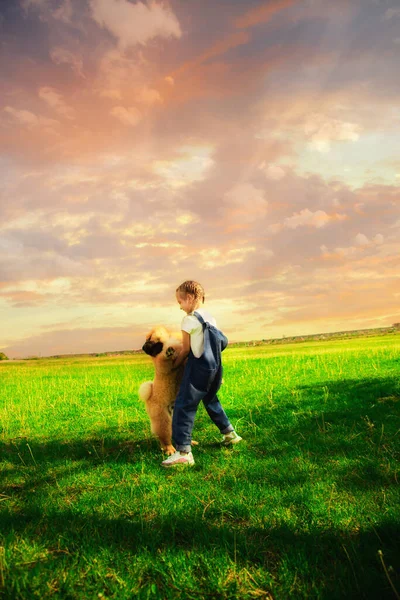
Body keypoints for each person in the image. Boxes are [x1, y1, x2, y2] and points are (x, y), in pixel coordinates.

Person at [161, 280, 242, 467]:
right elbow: (220, 344)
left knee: (183, 405)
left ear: (189, 298)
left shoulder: (189, 320)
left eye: (180, 302)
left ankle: (183, 453)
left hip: (198, 369)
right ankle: (230, 434)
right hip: (215, 367)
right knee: (210, 399)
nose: (180, 307)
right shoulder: (211, 319)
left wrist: (175, 365)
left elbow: (187, 349)